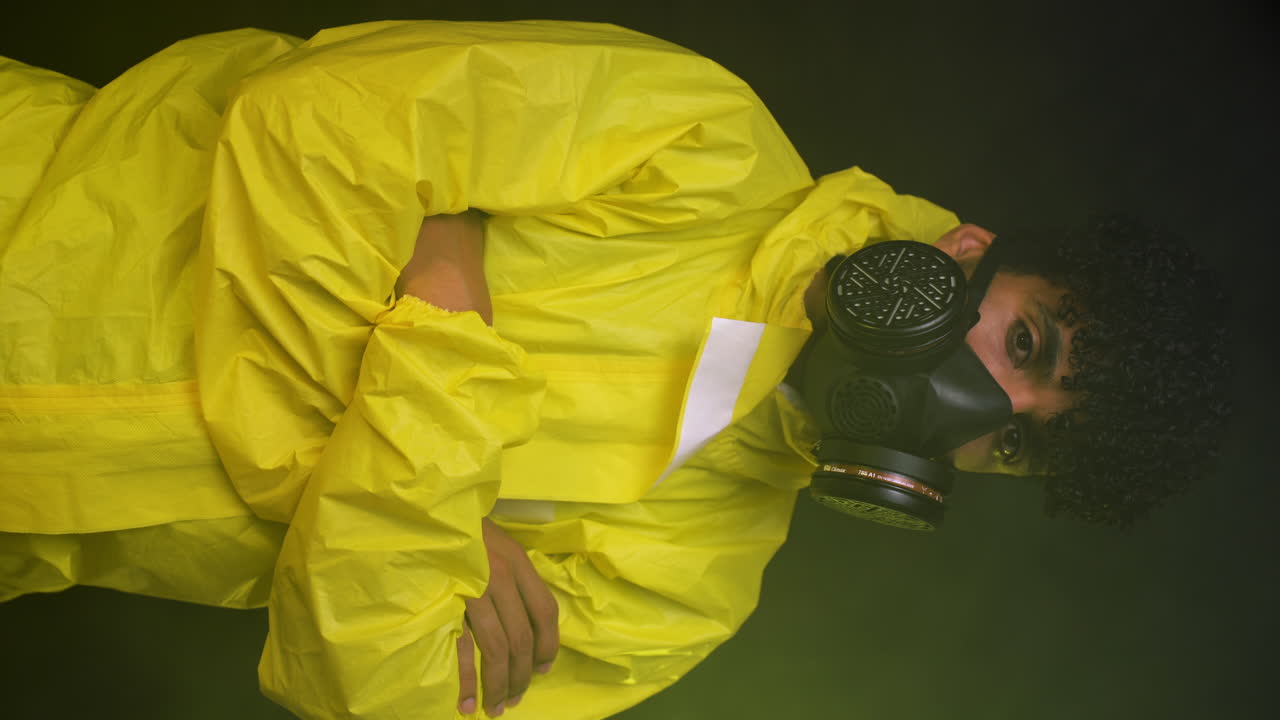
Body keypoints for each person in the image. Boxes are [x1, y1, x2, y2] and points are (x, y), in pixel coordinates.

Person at [0, 18, 1230, 720]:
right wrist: (423, 519)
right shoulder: (698, 145)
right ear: (967, 251)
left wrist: (438, 292)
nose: (982, 404)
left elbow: (374, 690)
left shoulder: (685, 585)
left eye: (1015, 437)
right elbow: (303, 126)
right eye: (1024, 344)